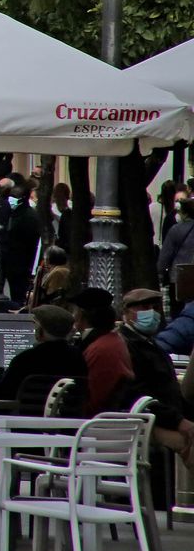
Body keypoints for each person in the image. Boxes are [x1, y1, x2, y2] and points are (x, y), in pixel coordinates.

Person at [117, 288, 194, 464]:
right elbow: (139, 396)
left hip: (168, 418)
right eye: (144, 307)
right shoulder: (128, 346)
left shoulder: (151, 343)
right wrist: (179, 422)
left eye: (155, 307)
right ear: (127, 313)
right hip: (146, 423)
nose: (152, 312)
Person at [0, 304, 87, 400]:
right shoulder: (78, 357)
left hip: (22, 417)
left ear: (40, 330)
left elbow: (3, 392)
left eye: (35, 325)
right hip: (65, 418)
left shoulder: (26, 359)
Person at [73, 287, 134, 417]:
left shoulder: (100, 349)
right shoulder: (113, 340)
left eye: (75, 310)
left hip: (89, 425)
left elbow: (93, 402)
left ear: (81, 314)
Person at [1, 175, 41, 307]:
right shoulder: (10, 212)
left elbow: (31, 244)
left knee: (18, 297)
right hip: (9, 262)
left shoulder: (30, 217)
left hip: (20, 264)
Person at [156, 197, 194, 292]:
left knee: (179, 304)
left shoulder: (175, 230)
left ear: (184, 213)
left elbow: (166, 255)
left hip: (178, 276)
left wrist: (160, 272)